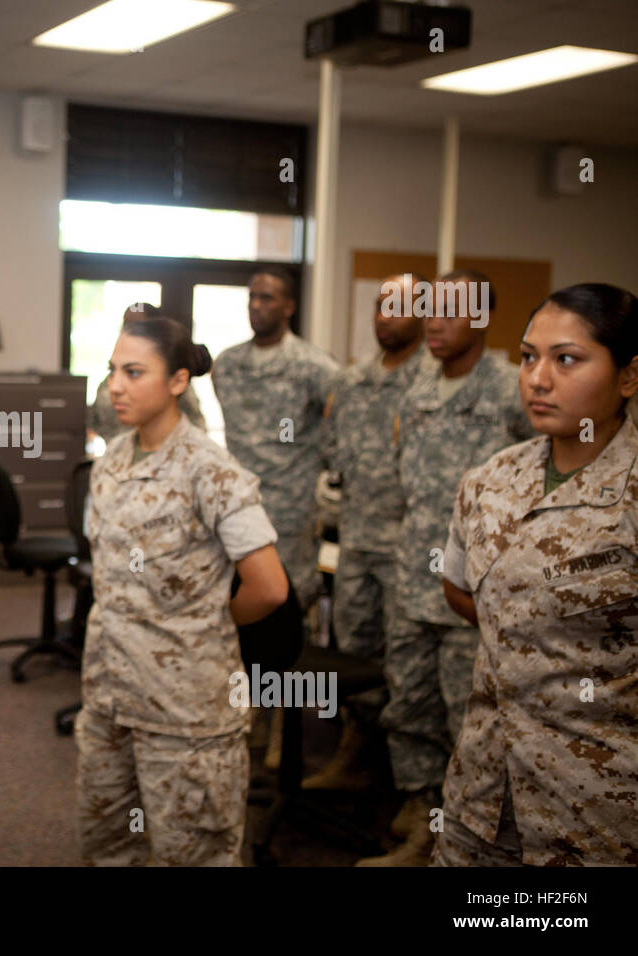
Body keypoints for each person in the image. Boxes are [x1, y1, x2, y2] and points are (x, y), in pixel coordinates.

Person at [437, 283, 638, 866]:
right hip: (479, 794)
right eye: (528, 357)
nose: (537, 378)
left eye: (566, 359)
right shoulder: (489, 480)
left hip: (594, 814)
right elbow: (459, 589)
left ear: (628, 376)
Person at [77, 315, 288, 866]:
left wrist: (203, 624)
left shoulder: (211, 471)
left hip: (185, 713)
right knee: (108, 845)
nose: (115, 386)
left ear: (176, 382)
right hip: (110, 697)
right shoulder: (110, 465)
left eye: (133, 372)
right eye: (111, 372)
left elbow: (268, 588)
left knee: (193, 856)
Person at [360, 269, 536, 866]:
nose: (434, 323)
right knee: (407, 705)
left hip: (476, 586)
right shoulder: (414, 388)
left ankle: (462, 837)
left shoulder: (515, 389)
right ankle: (419, 820)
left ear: (481, 320)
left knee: (470, 719)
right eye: (429, 310)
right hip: (412, 575)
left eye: (451, 312)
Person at [306, 274, 432, 790]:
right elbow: (332, 454)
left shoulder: (433, 385)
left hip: (412, 553)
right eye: (381, 305)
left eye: (399, 306)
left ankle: (415, 792)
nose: (386, 316)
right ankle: (354, 756)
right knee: (354, 657)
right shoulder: (350, 383)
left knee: (409, 671)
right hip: (356, 548)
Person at [211, 267, 340, 614]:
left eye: (266, 297)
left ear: (288, 307)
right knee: (238, 601)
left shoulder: (315, 367)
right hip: (236, 506)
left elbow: (340, 431)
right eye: (251, 297)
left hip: (290, 514)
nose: (255, 305)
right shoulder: (227, 365)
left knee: (290, 605)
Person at [87, 303, 207, 444]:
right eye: (127, 325)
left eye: (134, 373)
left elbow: (197, 427)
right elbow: (95, 423)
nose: (116, 388)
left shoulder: (170, 381)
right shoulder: (111, 381)